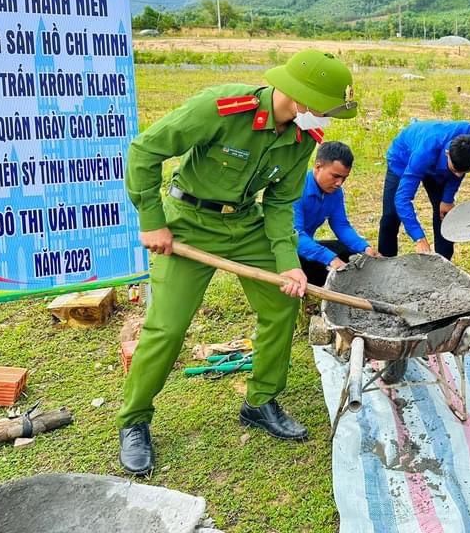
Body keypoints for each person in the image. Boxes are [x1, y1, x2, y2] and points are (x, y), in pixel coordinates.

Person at [118, 50, 356, 476]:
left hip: (246, 226)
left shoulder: (304, 138)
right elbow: (144, 151)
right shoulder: (222, 108)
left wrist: (288, 262)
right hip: (188, 223)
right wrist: (153, 221)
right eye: (326, 108)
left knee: (282, 304)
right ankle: (135, 420)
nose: (327, 118)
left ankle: (260, 401)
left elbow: (282, 202)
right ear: (303, 99)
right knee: (167, 327)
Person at [377, 120, 470, 260]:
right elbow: (402, 199)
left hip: (438, 168)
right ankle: (386, 263)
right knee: (391, 215)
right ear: (447, 153)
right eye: (455, 170)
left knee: (444, 214)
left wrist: (447, 199)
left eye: (464, 172)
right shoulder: (423, 154)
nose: (457, 176)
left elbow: (457, 173)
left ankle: (443, 264)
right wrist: (419, 238)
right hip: (403, 158)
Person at [294, 141, 378, 287]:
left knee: (347, 252)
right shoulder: (295, 190)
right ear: (318, 167)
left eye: (344, 178)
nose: (339, 183)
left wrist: (365, 248)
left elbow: (341, 225)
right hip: (283, 250)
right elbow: (294, 237)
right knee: (333, 268)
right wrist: (330, 258)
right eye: (335, 176)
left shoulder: (334, 192)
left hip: (304, 246)